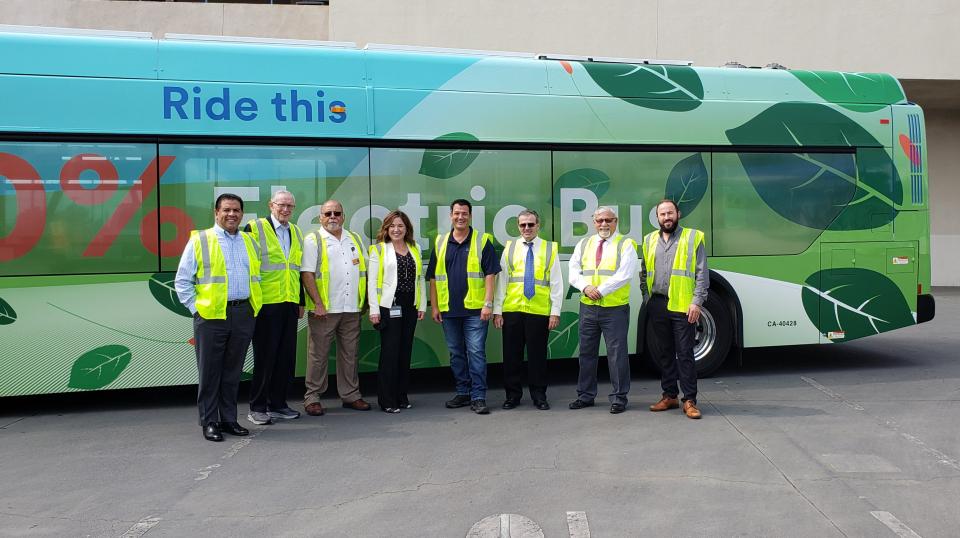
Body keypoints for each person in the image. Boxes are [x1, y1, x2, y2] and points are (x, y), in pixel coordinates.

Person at [175, 193, 261, 442]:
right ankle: (209, 421)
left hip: (243, 312)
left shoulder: (249, 241)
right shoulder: (201, 240)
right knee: (210, 372)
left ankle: (229, 419)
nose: (231, 214)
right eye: (226, 210)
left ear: (242, 214)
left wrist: (253, 308)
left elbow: (257, 277)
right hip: (211, 317)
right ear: (216, 212)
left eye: (236, 210)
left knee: (233, 371)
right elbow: (182, 280)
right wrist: (196, 309)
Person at [427, 199, 500, 415]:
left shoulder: (482, 240)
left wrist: (488, 303)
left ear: (470, 216)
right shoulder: (440, 242)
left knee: (476, 353)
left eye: (465, 213)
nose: (461, 217)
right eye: (457, 213)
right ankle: (463, 392)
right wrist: (435, 306)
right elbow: (432, 277)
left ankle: (478, 397)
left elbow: (490, 274)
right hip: (449, 310)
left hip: (476, 310)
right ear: (450, 215)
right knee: (456, 353)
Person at [301, 200, 371, 415]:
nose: (332, 216)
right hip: (325, 310)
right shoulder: (313, 240)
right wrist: (319, 303)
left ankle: (351, 395)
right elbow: (307, 274)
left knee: (350, 354)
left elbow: (364, 272)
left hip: (351, 308)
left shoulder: (355, 238)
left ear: (343, 216)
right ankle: (312, 397)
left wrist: (366, 300)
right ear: (320, 217)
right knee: (318, 355)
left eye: (336, 213)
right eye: (327, 213)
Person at [567, 206, 640, 414]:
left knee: (617, 355)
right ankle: (585, 395)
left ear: (616, 221)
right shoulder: (584, 244)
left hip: (614, 309)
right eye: (600, 220)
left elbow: (624, 274)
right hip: (588, 307)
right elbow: (573, 271)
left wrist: (599, 290)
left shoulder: (625, 244)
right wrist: (585, 287)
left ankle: (619, 398)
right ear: (594, 222)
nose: (604, 224)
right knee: (586, 353)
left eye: (608, 220)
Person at [644, 199, 709, 419]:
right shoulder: (649, 239)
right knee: (664, 353)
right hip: (658, 304)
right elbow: (644, 272)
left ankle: (689, 400)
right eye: (662, 214)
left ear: (678, 214)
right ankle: (669, 395)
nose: (666, 217)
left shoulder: (692, 237)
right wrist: (647, 298)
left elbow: (702, 273)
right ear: (657, 217)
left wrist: (696, 302)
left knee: (685, 354)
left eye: (670, 213)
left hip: (683, 305)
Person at [244, 190, 304, 426]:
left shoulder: (296, 231)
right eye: (282, 205)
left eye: (290, 206)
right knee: (265, 358)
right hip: (265, 305)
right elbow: (246, 264)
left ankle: (278, 404)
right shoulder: (254, 228)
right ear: (271, 205)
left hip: (288, 303)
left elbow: (296, 269)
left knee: (286, 358)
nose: (286, 210)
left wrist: (300, 301)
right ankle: (257, 407)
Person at [493, 209, 563, 410]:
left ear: (538, 226)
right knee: (511, 356)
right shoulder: (510, 247)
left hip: (539, 311)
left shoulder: (549, 248)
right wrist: (498, 309)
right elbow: (502, 280)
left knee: (537, 357)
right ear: (518, 226)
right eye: (523, 225)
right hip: (512, 310)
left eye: (530, 224)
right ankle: (512, 396)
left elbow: (556, 283)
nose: (526, 228)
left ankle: (539, 395)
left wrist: (555, 311)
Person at [367, 211, 426, 413]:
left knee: (405, 352)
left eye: (400, 226)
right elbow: (372, 282)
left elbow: (420, 279)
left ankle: (401, 396)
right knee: (390, 353)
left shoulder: (415, 247)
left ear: (406, 228)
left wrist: (422, 305)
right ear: (386, 229)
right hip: (388, 306)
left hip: (410, 305)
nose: (396, 229)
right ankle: (387, 400)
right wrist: (374, 310)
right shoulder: (379, 250)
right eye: (392, 226)